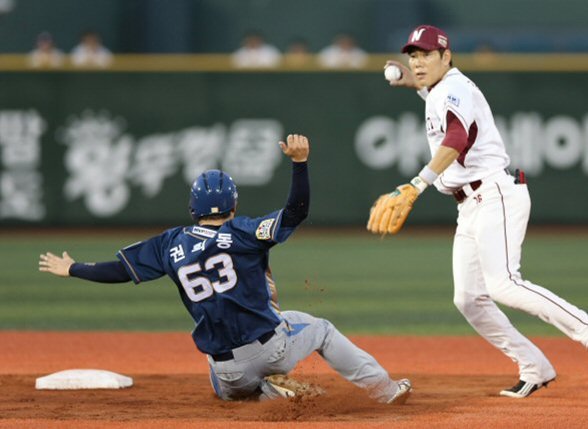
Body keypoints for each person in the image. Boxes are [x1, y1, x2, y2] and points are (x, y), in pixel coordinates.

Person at [39, 134, 412, 404]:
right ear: (232, 205)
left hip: (226, 372)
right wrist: (299, 165)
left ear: (192, 208)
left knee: (226, 378)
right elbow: (296, 212)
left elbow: (119, 270)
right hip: (271, 349)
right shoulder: (242, 231)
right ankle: (384, 389)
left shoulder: (171, 243)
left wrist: (73, 268)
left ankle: (263, 392)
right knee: (323, 330)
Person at [367, 25, 588, 398]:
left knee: (504, 284)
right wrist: (411, 83)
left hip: (494, 194)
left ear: (446, 57)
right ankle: (534, 366)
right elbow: (440, 102)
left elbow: (457, 137)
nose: (417, 62)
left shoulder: (453, 87)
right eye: (412, 56)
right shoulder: (441, 88)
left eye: (425, 55)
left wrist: (417, 184)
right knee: (468, 299)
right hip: (470, 205)